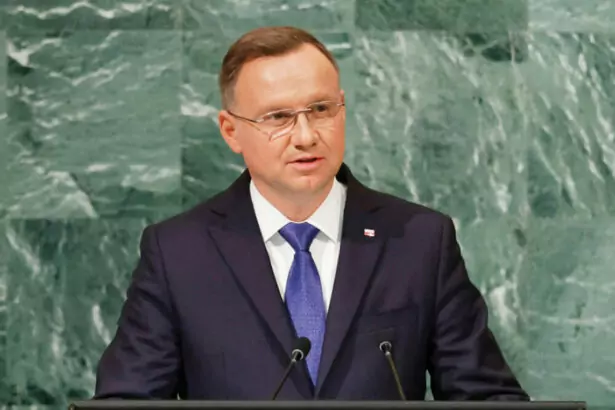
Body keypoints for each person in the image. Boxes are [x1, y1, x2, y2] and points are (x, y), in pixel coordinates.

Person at [94, 26, 529, 401]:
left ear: (342, 108)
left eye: (320, 110)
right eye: (278, 117)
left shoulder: (419, 240)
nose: (305, 136)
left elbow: (488, 398)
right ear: (231, 131)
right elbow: (127, 402)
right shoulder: (178, 253)